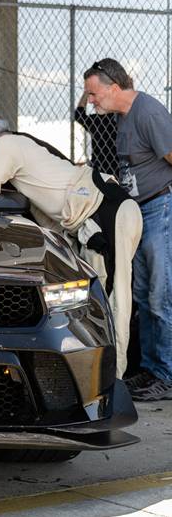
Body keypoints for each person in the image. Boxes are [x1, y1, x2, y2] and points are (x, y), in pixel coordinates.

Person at [0, 113, 142, 379]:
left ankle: (113, 380)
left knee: (114, 298)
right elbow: (51, 217)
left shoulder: (6, 146)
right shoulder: (23, 156)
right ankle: (102, 376)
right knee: (97, 298)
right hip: (95, 217)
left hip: (105, 210)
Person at [85, 57, 172, 401]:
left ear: (114, 87)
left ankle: (165, 374)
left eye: (93, 93)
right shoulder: (124, 117)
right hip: (139, 211)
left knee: (159, 295)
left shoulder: (149, 112)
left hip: (159, 207)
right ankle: (150, 369)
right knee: (142, 294)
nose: (91, 100)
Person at [75, 89, 121, 177]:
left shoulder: (96, 120)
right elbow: (78, 115)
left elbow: (78, 114)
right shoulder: (117, 118)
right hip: (115, 166)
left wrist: (86, 91)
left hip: (101, 167)